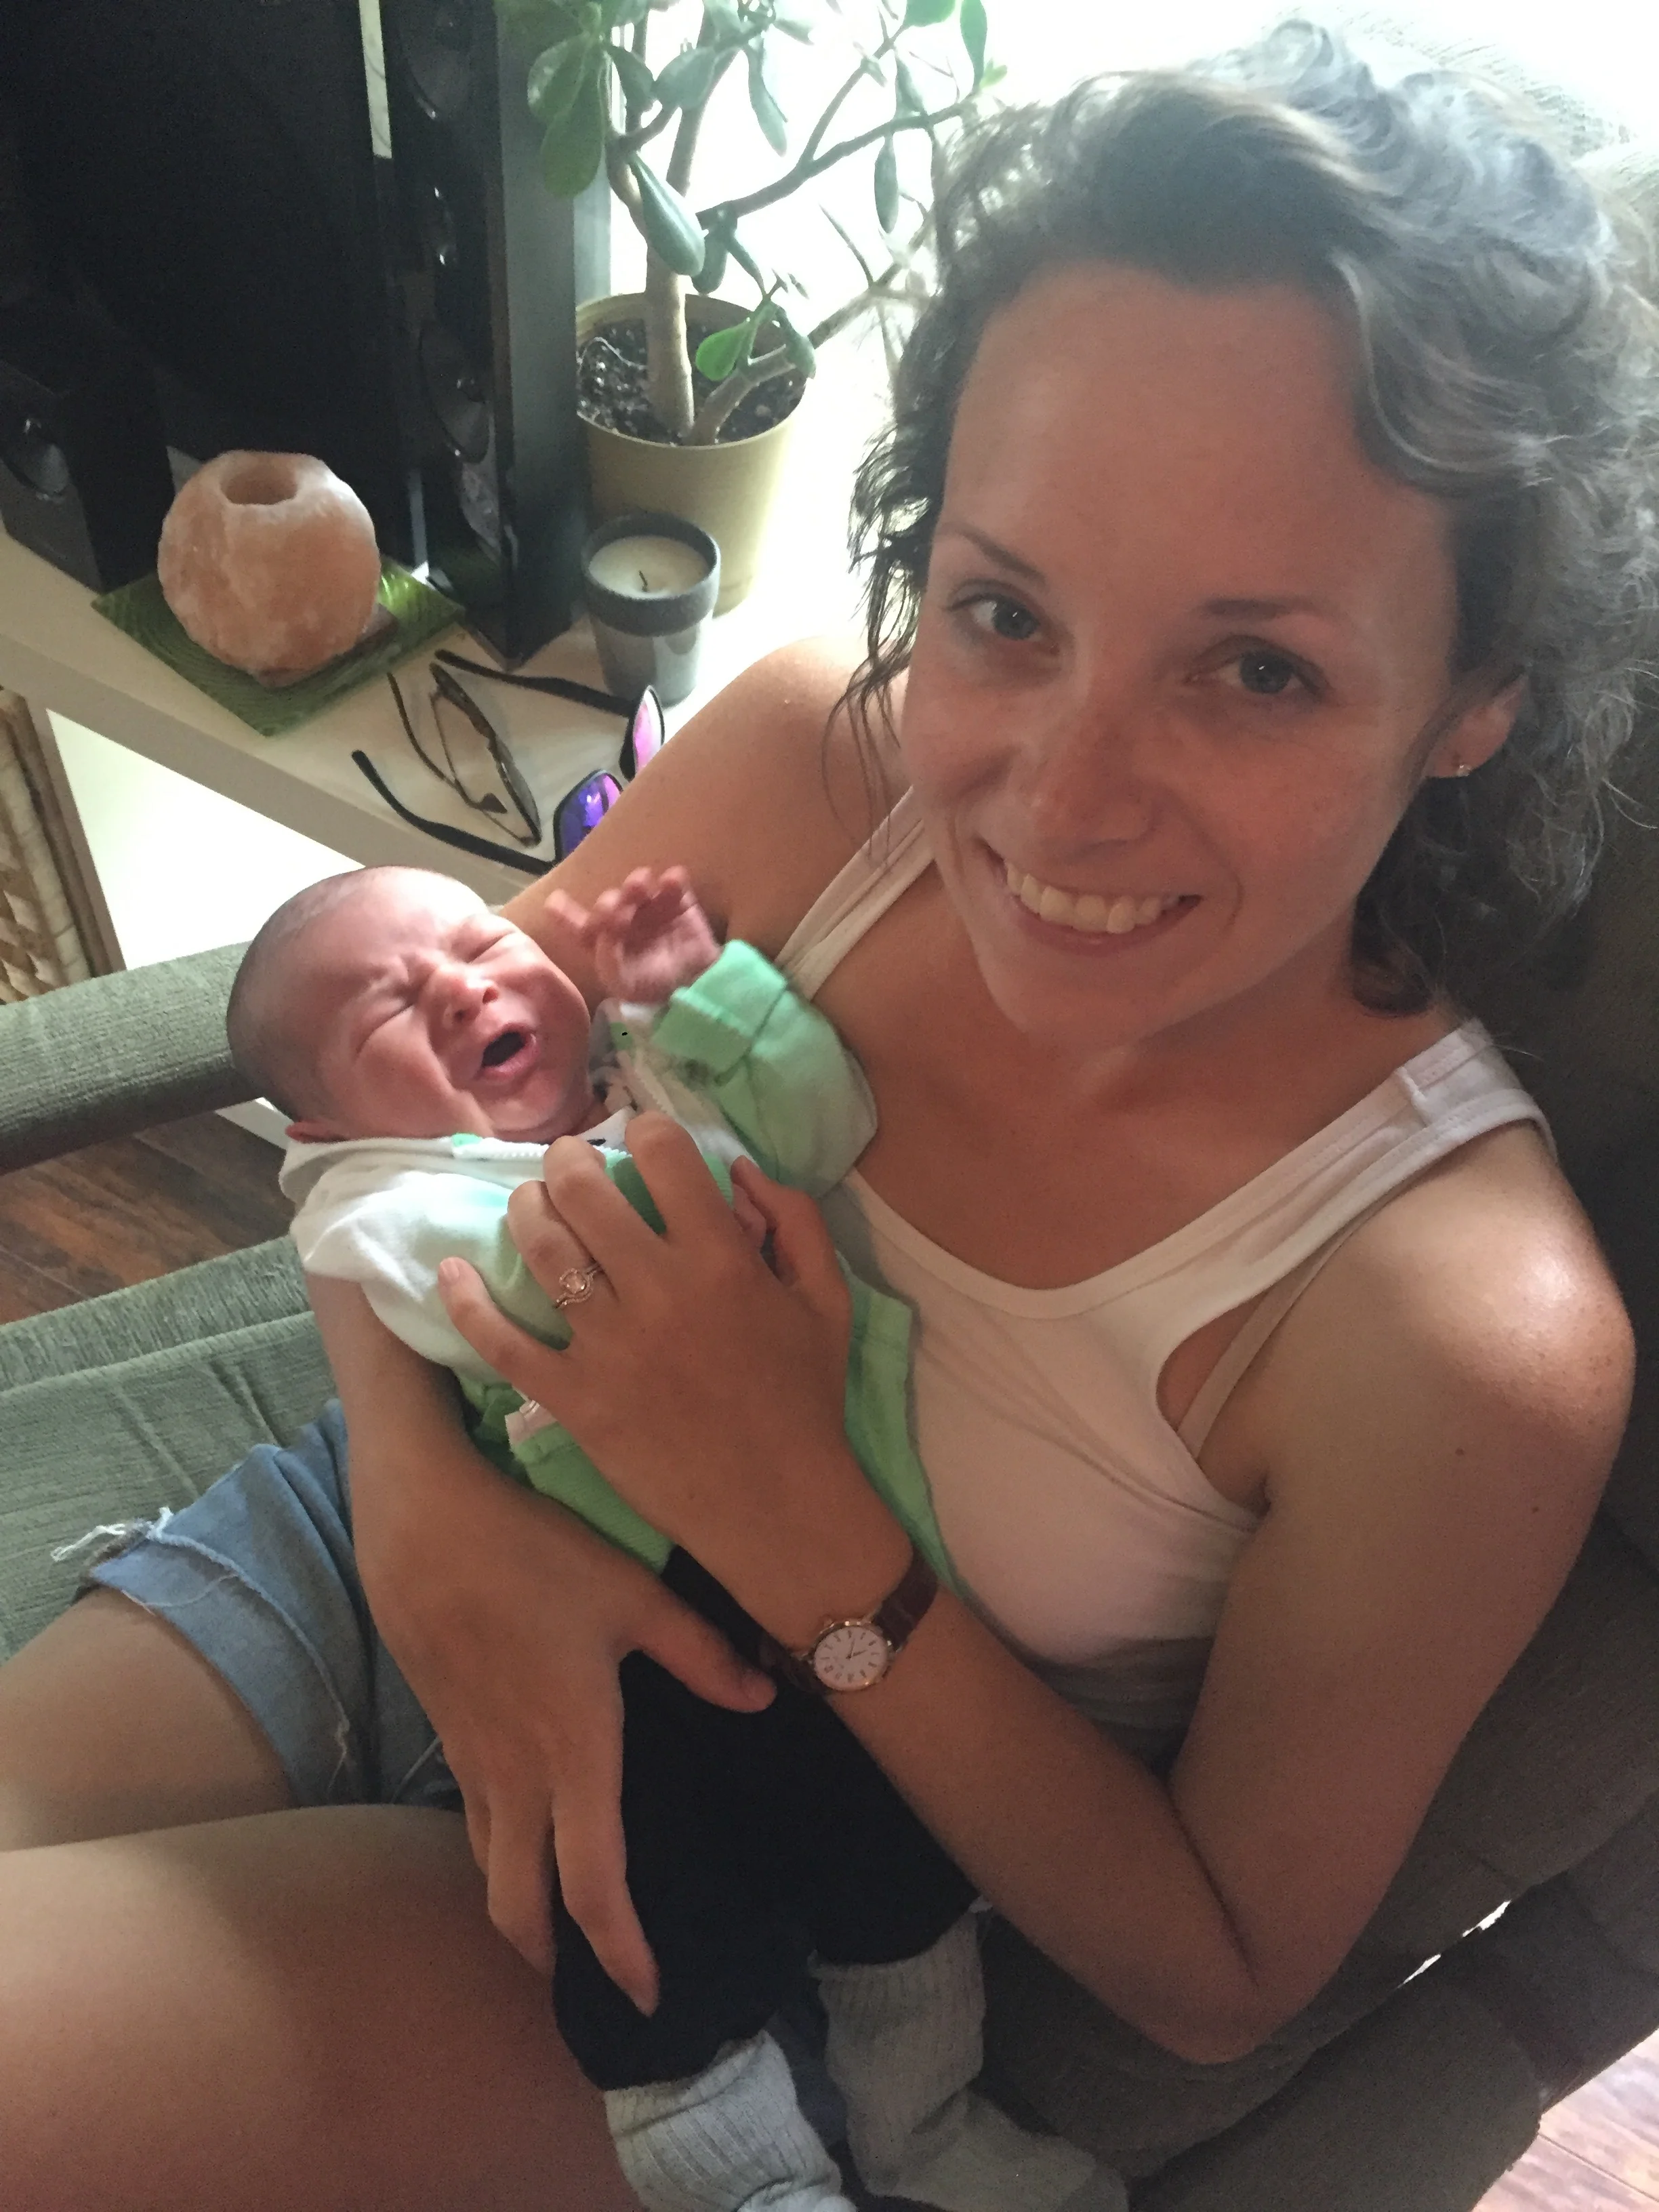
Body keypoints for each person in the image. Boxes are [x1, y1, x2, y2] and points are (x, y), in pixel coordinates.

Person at [2, 24, 1655, 2210]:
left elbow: (1212, 1969)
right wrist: (416, 1490)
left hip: (712, 1872)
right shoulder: (807, 766)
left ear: (1468, 702)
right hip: (356, 1539)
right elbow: (398, 1129)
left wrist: (804, 1522)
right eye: (1001, 609)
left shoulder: (1446, 1322)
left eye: (1251, 667)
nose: (1057, 797)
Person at [230, 857, 1109, 2211]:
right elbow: (518, 1284)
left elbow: (821, 1124)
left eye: (477, 942)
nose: (464, 987)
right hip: (624, 1643)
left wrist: (697, 1000)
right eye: (394, 1013)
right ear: (329, 1120)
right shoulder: (390, 1208)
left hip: (827, 1580)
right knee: (647, 1931)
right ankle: (748, 2183)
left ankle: (924, 2133)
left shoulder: (658, 1068)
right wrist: (685, 1154)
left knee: (898, 1876)